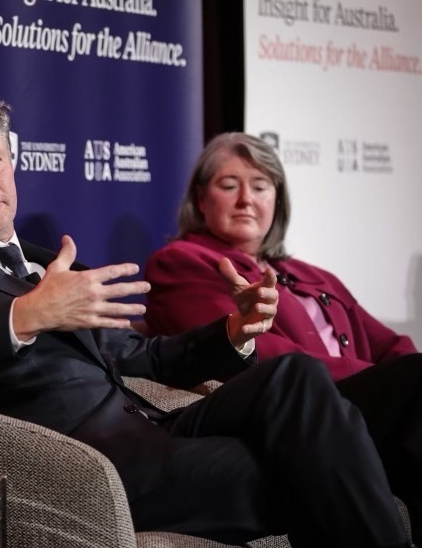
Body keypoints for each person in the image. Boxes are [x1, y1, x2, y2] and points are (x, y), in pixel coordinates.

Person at [0, 97, 422, 548]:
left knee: (294, 377)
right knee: (301, 464)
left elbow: (139, 355)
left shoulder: (46, 261)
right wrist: (24, 316)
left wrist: (232, 333)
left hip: (157, 426)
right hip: (94, 465)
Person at [144, 131, 418, 381]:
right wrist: (377, 380)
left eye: (260, 187)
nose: (246, 199)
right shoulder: (178, 263)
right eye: (229, 186)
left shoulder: (315, 275)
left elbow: (389, 345)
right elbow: (261, 355)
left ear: (277, 200)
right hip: (301, 407)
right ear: (201, 199)